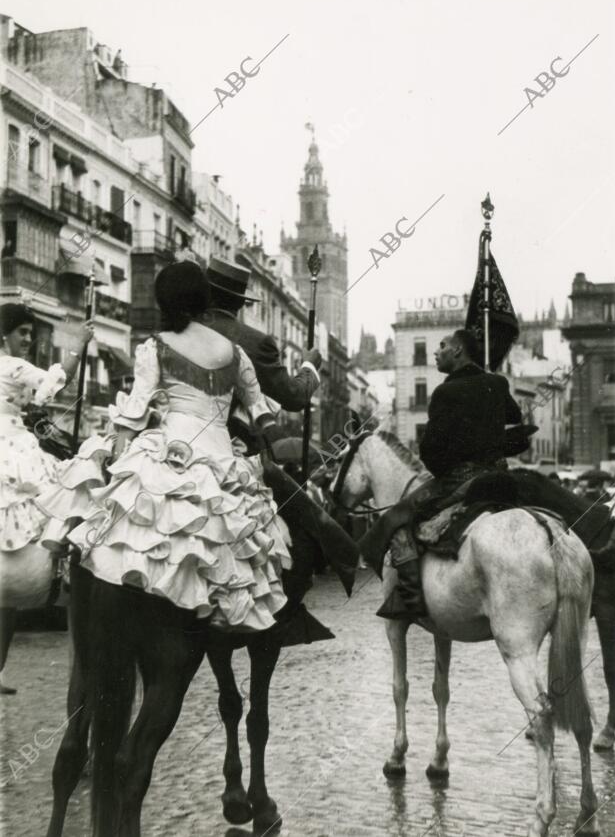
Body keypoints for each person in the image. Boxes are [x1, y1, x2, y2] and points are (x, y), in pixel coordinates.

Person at [37, 262, 308, 634]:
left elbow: (134, 412)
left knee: (114, 516)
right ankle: (226, 610)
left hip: (168, 448)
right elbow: (264, 416)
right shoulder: (237, 352)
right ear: (205, 300)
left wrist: (115, 462)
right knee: (256, 541)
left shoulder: (157, 346)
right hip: (222, 462)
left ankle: (75, 575)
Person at [199, 257, 359, 606]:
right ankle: (290, 600)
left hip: (172, 445)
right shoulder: (253, 342)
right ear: (241, 303)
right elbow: (292, 397)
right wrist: (309, 366)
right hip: (234, 452)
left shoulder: (178, 332)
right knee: (304, 521)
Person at [361, 328, 523, 620]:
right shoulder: (497, 383)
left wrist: (443, 471)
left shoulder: (445, 392)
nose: (437, 351)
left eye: (443, 345)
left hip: (461, 479)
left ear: (458, 350)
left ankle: (409, 600)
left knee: (398, 520)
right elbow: (514, 416)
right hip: (501, 477)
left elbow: (430, 451)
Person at [0, 302, 94, 693]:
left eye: (30, 333)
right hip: (10, 448)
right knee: (64, 497)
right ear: (3, 334)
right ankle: (67, 578)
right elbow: (55, 383)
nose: (28, 339)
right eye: (22, 332)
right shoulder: (10, 366)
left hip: (13, 439)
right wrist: (78, 346)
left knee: (5, 600)